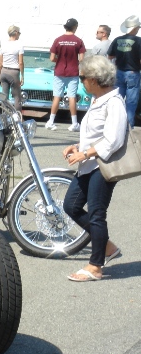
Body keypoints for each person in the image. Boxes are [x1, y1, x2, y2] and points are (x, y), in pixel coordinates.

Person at [62, 55, 127, 282]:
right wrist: (78, 146)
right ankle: (107, 246)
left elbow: (113, 140)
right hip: (88, 164)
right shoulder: (97, 99)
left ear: (95, 79)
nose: (80, 81)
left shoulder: (114, 102)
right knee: (71, 206)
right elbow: (94, 134)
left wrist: (86, 153)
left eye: (82, 77)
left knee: (97, 214)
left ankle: (95, 267)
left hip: (102, 166)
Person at [45, 18, 86, 132]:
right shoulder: (78, 41)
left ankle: (50, 121)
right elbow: (81, 59)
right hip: (73, 72)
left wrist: (59, 61)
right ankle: (74, 123)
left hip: (59, 71)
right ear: (75, 27)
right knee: (72, 97)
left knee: (57, 96)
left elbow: (52, 58)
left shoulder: (58, 40)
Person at [107, 15, 141, 128]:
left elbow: (110, 56)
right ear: (135, 28)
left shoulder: (117, 40)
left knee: (117, 100)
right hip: (133, 73)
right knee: (131, 102)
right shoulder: (139, 41)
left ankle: (115, 125)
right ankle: (128, 126)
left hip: (119, 72)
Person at [0, 25, 24, 112]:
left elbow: (0, 63)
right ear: (15, 33)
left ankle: (4, 114)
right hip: (14, 72)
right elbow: (20, 62)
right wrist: (22, 76)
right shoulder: (19, 45)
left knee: (4, 96)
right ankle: (18, 116)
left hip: (4, 71)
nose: (19, 34)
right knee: (17, 96)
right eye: (19, 33)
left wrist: (0, 74)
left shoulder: (3, 45)